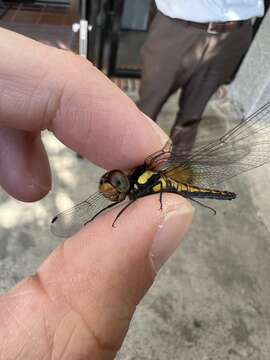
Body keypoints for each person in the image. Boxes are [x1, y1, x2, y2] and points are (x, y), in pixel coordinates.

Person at [0, 29, 193, 359]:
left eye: (114, 184)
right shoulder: (130, 178)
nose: (109, 187)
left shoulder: (146, 178)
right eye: (112, 183)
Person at [137, 0, 265, 152]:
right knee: (149, 104)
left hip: (233, 34)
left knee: (194, 109)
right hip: (176, 27)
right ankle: (136, 157)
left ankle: (179, 162)